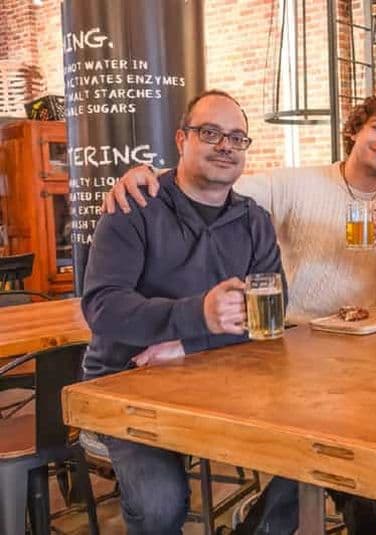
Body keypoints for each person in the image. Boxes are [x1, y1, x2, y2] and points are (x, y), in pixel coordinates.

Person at [102, 92, 376, 534]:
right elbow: (212, 183)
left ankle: (316, 513)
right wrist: (145, 176)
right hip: (288, 341)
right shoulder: (296, 183)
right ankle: (311, 516)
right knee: (324, 434)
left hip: (356, 350)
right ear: (357, 129)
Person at [81, 89, 287, 535]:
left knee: (315, 449)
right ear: (181, 139)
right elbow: (102, 306)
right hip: (127, 382)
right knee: (160, 504)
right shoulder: (134, 205)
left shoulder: (255, 220)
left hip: (218, 380)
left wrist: (192, 341)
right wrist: (199, 314)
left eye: (237, 137)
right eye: (210, 132)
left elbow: (270, 311)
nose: (225, 145)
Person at [104, 92, 376, 325]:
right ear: (356, 131)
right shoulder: (295, 184)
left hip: (358, 335)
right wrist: (151, 175)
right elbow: (218, 183)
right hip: (288, 332)